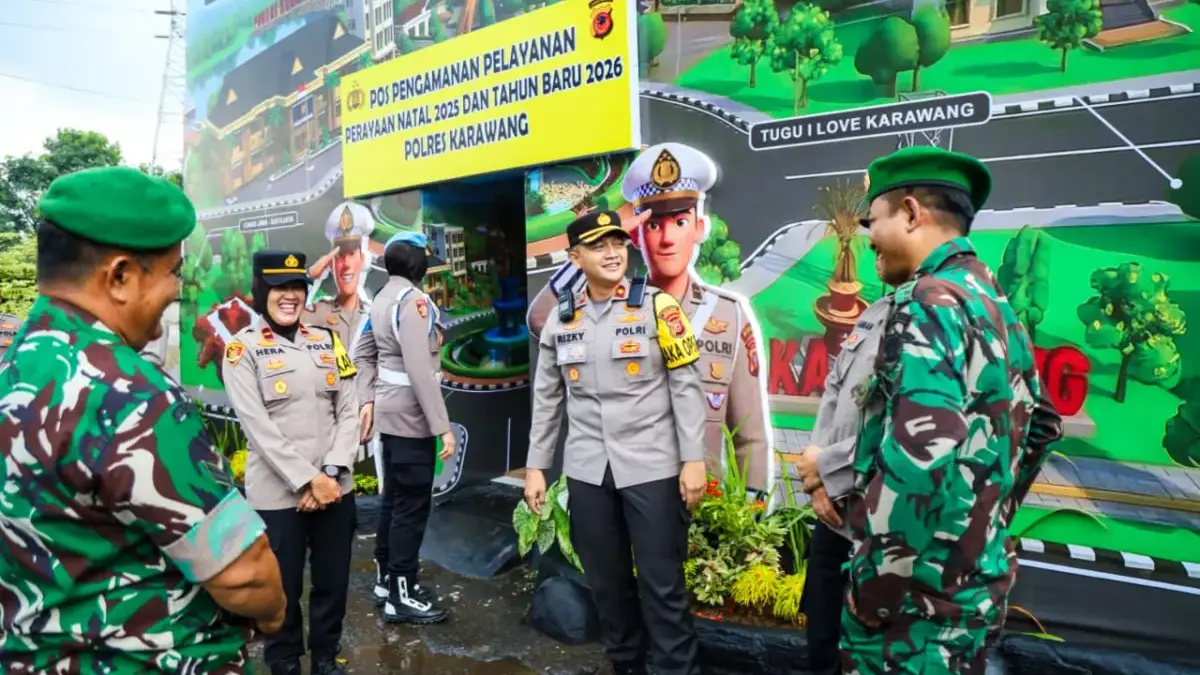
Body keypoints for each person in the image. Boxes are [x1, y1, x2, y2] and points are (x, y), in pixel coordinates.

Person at [0, 166, 286, 673]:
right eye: (174, 272)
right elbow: (244, 574)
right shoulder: (129, 395)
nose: (179, 289)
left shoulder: (15, 366)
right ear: (121, 276)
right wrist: (274, 613)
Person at [840, 147, 1061, 675]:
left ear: (912, 213)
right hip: (972, 588)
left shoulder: (927, 300)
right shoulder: (992, 300)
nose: (869, 237)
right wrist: (982, 520)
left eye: (874, 220)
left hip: (913, 609)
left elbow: (922, 449)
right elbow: (1041, 425)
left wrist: (875, 591)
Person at [524, 210, 709, 675]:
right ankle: (626, 666)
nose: (612, 253)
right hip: (588, 472)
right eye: (598, 246)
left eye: (617, 244)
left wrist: (693, 461)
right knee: (607, 587)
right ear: (574, 256)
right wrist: (535, 466)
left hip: (653, 468)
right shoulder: (562, 320)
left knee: (662, 587)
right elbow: (548, 399)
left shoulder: (658, 307)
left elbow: (686, 388)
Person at [224, 250, 361, 675]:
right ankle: (284, 661)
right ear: (262, 292)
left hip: (336, 487)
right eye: (280, 288)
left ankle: (324, 656)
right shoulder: (241, 350)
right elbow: (258, 427)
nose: (290, 296)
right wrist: (306, 482)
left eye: (297, 287)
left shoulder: (328, 339)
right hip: (278, 496)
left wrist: (332, 474)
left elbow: (350, 409)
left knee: (332, 582)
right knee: (281, 588)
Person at [620, 142, 771, 492]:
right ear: (636, 234)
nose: (668, 238)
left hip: (708, 514)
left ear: (700, 228)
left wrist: (754, 508)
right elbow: (541, 321)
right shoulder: (615, 311)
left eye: (681, 221)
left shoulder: (728, 316)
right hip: (633, 505)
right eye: (654, 225)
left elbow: (750, 436)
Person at [789, 288, 893, 675]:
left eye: (879, 223)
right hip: (835, 514)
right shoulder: (880, 308)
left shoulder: (938, 318)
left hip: (883, 528)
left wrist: (828, 468)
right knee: (821, 644)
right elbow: (835, 391)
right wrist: (819, 480)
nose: (872, 234)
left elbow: (909, 432)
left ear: (915, 223)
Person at [354, 230, 455, 625]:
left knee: (394, 501)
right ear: (418, 263)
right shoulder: (413, 302)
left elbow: (361, 352)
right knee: (411, 507)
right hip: (413, 418)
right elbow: (420, 369)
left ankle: (385, 579)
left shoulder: (381, 298)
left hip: (390, 417)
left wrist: (369, 399)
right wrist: (441, 427)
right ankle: (402, 593)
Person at [304, 200, 374, 349]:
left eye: (352, 254)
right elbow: (282, 319)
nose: (346, 264)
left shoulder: (376, 313)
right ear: (330, 264)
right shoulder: (318, 312)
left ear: (363, 260)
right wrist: (309, 277)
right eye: (340, 255)